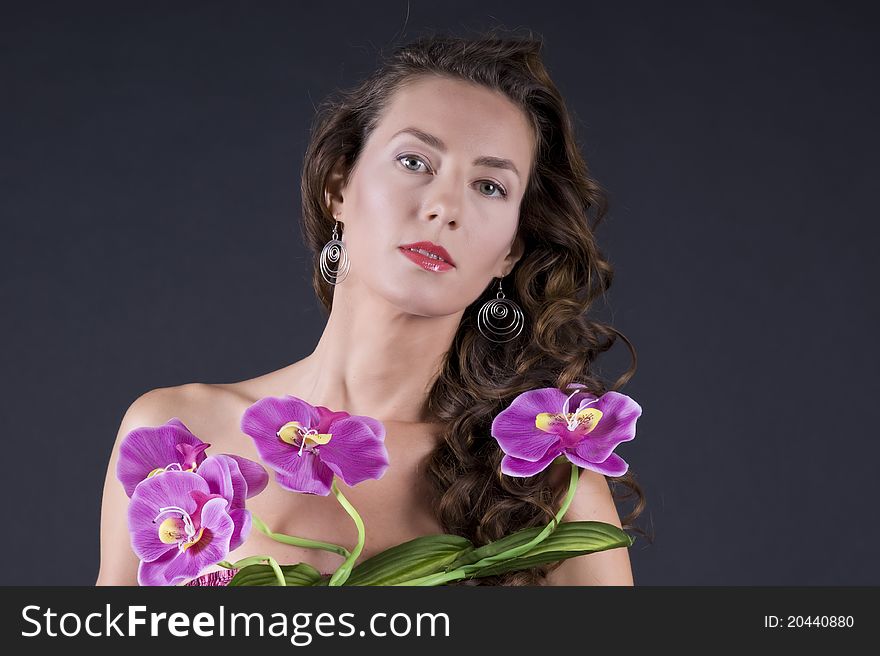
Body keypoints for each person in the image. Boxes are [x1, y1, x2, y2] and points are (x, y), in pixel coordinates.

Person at [96, 30, 647, 587]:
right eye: (414, 160)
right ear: (339, 185)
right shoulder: (175, 437)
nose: (443, 206)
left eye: (489, 186)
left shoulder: (547, 491)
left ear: (510, 250)